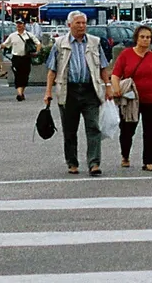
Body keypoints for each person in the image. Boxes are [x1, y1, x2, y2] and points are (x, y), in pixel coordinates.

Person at [44, 10, 112, 177]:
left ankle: (94, 163)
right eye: (78, 23)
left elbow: (102, 66)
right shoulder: (60, 44)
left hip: (90, 90)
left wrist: (108, 86)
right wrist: (48, 92)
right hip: (69, 90)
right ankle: (72, 163)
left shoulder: (94, 43)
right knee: (70, 130)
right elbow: (52, 70)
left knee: (93, 127)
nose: (82, 26)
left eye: (84, 23)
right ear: (69, 25)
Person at [112, 25, 152, 171]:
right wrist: (116, 89)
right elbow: (116, 74)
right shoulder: (126, 54)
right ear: (136, 38)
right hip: (131, 99)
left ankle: (149, 161)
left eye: (148, 37)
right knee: (128, 129)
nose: (145, 40)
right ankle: (125, 155)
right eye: (142, 37)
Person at [3, 19, 40, 101]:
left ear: (24, 25)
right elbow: (5, 44)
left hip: (26, 58)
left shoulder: (29, 35)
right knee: (17, 75)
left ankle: (21, 92)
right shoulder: (12, 35)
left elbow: (38, 43)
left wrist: (36, 52)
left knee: (25, 76)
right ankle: (19, 94)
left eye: (20, 24)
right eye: (17, 24)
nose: (18, 26)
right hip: (16, 58)